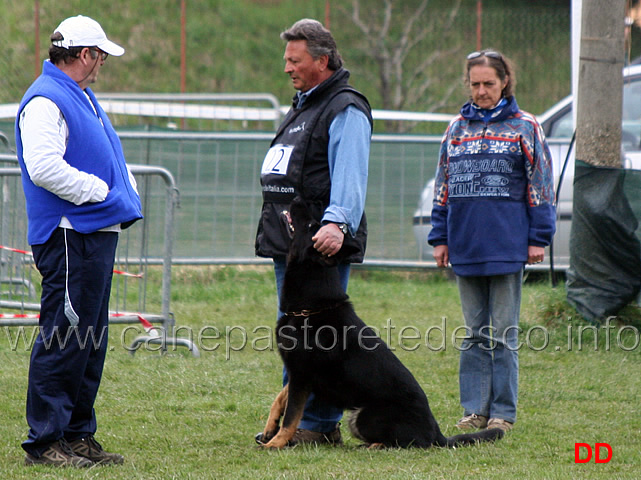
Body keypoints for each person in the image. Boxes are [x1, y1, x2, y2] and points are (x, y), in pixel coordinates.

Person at [15, 15, 142, 467]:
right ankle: (46, 442)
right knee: (66, 336)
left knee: (89, 339)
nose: (103, 62)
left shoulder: (80, 97)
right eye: (101, 54)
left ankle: (75, 434)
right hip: (70, 234)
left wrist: (122, 190)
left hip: (91, 233)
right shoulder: (47, 99)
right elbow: (44, 166)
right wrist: (101, 192)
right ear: (85, 54)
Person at [255, 18, 372, 445]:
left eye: (295, 60)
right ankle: (289, 423)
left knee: (320, 342)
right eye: (286, 59)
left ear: (321, 61)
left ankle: (318, 426)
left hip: (322, 246)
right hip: (291, 246)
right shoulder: (305, 103)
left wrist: (338, 222)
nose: (287, 67)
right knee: (296, 340)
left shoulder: (345, 107)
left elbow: (350, 173)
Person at [428, 49, 556, 433]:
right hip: (465, 246)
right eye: (475, 84)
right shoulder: (455, 130)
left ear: (505, 83)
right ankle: (474, 410)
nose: (482, 91)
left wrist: (538, 237)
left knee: (503, 334)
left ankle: (502, 413)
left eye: (489, 83)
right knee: (473, 334)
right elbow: (442, 187)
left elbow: (540, 185)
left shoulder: (526, 127)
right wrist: (440, 237)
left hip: (507, 247)